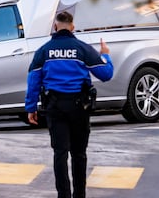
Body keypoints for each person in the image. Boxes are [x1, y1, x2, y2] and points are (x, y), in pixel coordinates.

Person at [25, 11, 113, 198]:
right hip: (79, 108)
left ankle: (63, 195)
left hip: (54, 108)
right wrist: (106, 55)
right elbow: (106, 74)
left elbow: (33, 81)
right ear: (72, 27)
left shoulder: (44, 51)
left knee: (60, 153)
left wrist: (31, 108)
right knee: (79, 154)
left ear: (55, 26)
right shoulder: (82, 49)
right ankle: (79, 195)